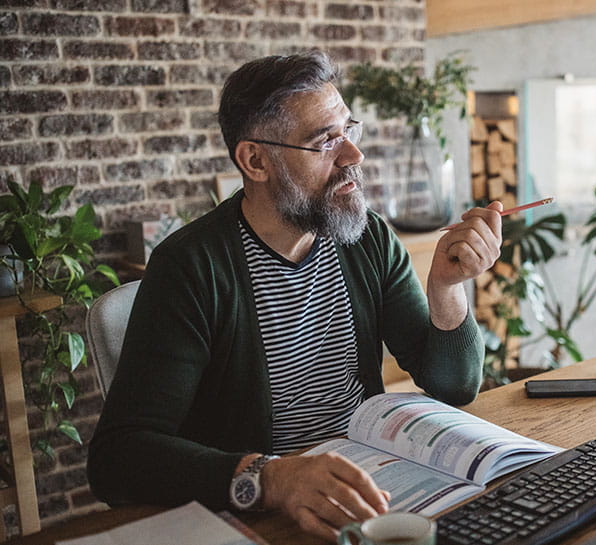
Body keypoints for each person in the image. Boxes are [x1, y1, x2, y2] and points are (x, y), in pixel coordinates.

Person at [87, 49, 502, 541]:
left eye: (349, 130)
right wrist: (269, 477)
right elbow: (118, 457)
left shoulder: (366, 237)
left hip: (368, 493)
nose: (353, 155)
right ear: (255, 160)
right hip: (264, 516)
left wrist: (447, 288)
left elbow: (453, 387)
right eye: (326, 141)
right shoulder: (191, 266)